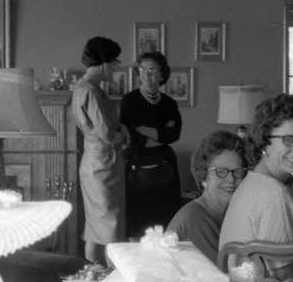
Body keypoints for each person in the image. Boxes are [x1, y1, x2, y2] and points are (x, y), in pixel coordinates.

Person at [218, 93, 293, 280]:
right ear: (265, 140)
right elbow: (285, 279)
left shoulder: (253, 180)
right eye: (288, 140)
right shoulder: (273, 192)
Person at [71, 36, 131, 265]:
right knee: (110, 227)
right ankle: (108, 278)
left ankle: (92, 276)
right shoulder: (92, 91)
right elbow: (107, 134)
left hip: (96, 162)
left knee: (97, 227)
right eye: (115, 61)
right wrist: (123, 135)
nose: (116, 67)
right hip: (103, 164)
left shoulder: (84, 87)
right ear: (105, 61)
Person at [120, 51, 182, 238]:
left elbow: (173, 135)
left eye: (153, 69)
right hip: (137, 163)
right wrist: (160, 132)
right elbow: (130, 134)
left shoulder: (170, 104)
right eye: (143, 69)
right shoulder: (129, 101)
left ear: (162, 74)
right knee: (137, 221)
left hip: (165, 163)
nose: (147, 74)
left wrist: (142, 128)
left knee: (164, 221)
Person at [166, 131, 249, 263]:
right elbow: (224, 274)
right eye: (221, 172)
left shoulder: (228, 214)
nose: (231, 179)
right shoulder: (194, 218)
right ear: (203, 176)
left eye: (238, 171)